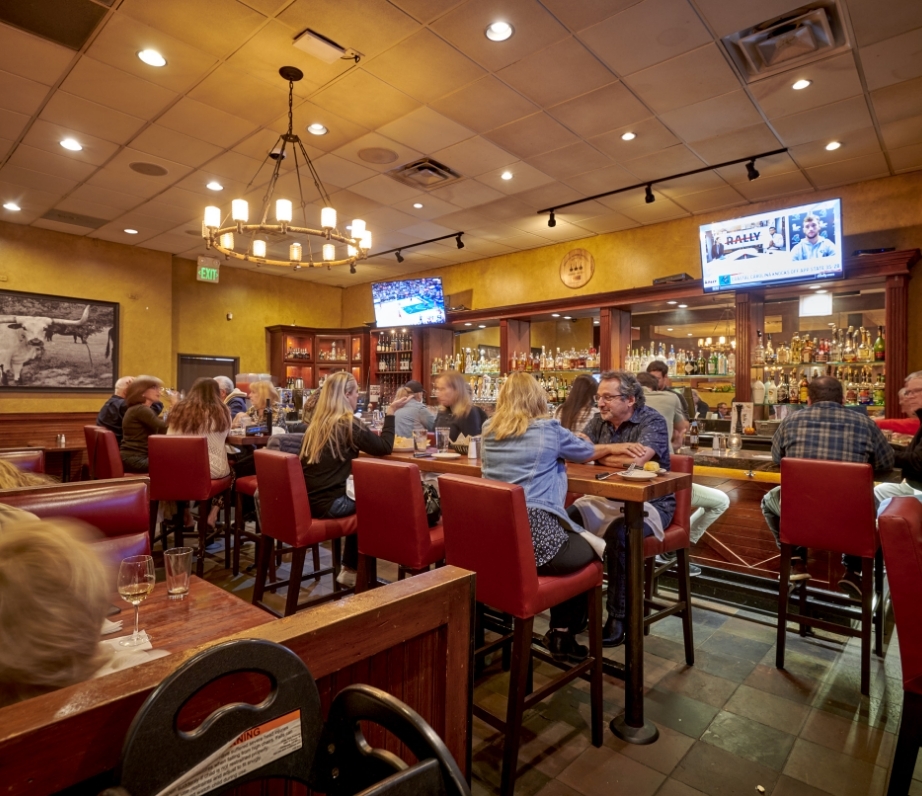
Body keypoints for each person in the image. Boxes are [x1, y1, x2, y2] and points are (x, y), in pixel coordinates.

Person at [480, 373, 628, 660]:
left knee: (575, 536)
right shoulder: (547, 429)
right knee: (597, 548)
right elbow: (585, 452)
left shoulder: (488, 429)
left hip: (494, 541)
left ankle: (494, 624)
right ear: (538, 398)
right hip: (535, 541)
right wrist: (611, 447)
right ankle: (563, 635)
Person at [761, 376, 894, 596]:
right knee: (867, 504)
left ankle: (796, 561)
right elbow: (887, 463)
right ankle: (853, 569)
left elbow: (777, 458)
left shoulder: (791, 421)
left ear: (809, 400)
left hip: (801, 520)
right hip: (850, 524)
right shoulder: (865, 424)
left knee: (768, 501)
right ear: (843, 399)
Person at [569, 370, 673, 647]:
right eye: (598, 397)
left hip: (650, 504)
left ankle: (618, 616)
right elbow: (577, 450)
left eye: (607, 397)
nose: (600, 403)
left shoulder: (652, 420)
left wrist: (598, 455)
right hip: (604, 498)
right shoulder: (599, 420)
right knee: (565, 523)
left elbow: (636, 465)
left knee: (620, 536)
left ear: (629, 400)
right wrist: (620, 451)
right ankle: (574, 609)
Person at [299, 372, 409, 587]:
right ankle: (363, 571)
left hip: (309, 503)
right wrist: (391, 412)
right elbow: (384, 447)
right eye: (356, 392)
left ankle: (351, 569)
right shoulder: (348, 423)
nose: (358, 396)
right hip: (331, 504)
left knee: (363, 498)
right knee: (377, 502)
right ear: (346, 395)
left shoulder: (316, 424)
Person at [638, 374, 728, 577]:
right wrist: (675, 442)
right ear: (658, 385)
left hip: (634, 499)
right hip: (663, 488)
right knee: (722, 500)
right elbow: (683, 429)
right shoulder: (669, 399)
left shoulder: (625, 414)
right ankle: (671, 551)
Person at [166, 377, 231, 478]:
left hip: (183, 467)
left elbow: (170, 439)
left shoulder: (180, 410)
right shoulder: (223, 411)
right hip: (219, 469)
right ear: (216, 393)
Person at [874, 372, 922, 509]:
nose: (909, 397)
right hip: (915, 484)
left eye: (916, 391)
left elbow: (917, 463)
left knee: (885, 506)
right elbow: (912, 453)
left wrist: (882, 453)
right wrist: (882, 447)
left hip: (918, 485)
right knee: (880, 491)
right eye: (908, 392)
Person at [120, 377, 172, 473]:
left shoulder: (138, 409)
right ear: (142, 392)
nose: (159, 391)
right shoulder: (141, 409)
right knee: (177, 462)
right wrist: (175, 405)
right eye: (154, 388)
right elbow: (164, 429)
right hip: (135, 459)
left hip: (132, 458)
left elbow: (161, 428)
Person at [636, 371, 688, 452]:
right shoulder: (671, 397)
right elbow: (682, 429)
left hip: (630, 459)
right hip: (664, 458)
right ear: (655, 389)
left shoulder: (625, 399)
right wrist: (673, 445)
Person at [433, 371, 488, 442]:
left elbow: (470, 447)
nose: (438, 393)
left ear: (456, 390)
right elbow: (433, 438)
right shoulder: (443, 411)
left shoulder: (468, 412)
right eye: (437, 389)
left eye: (442, 389)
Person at [96, 376, 134, 443]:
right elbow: (154, 409)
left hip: (109, 448)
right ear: (127, 391)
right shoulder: (124, 405)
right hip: (123, 448)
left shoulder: (109, 403)